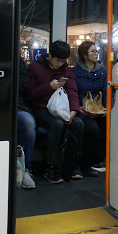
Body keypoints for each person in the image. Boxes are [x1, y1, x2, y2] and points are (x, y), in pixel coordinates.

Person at [26, 40, 85, 183]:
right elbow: (29, 94)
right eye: (58, 60)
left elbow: (72, 91)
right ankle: (51, 166)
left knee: (78, 123)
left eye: (63, 61)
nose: (60, 64)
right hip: (42, 109)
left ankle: (73, 163)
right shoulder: (35, 69)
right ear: (50, 55)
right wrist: (49, 87)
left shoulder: (66, 70)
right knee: (57, 125)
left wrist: (74, 111)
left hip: (62, 109)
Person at [75, 41, 106, 174]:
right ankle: (86, 163)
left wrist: (106, 108)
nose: (96, 54)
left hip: (99, 109)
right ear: (84, 55)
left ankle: (101, 160)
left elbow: (106, 90)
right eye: (92, 51)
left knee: (109, 125)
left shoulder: (102, 71)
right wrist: (77, 108)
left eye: (97, 51)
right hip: (83, 109)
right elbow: (73, 91)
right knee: (92, 129)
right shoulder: (75, 72)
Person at [16, 62, 36, 189]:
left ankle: (25, 169)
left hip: (16, 104)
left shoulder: (16, 59)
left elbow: (23, 82)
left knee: (27, 122)